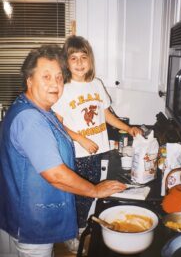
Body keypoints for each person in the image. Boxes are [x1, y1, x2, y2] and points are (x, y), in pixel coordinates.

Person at [0, 44, 126, 257]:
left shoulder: (35, 108)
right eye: (46, 77)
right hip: (32, 223)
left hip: (19, 213)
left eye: (59, 77)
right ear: (29, 80)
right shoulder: (31, 120)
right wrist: (95, 190)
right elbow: (56, 175)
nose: (55, 84)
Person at [52, 35, 142, 249]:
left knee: (95, 192)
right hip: (79, 153)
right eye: (73, 58)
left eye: (84, 57)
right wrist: (81, 138)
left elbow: (106, 114)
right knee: (81, 195)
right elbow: (57, 124)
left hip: (100, 151)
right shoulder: (64, 89)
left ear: (90, 60)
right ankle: (74, 235)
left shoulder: (96, 84)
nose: (80, 62)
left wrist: (127, 128)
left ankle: (84, 227)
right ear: (66, 61)